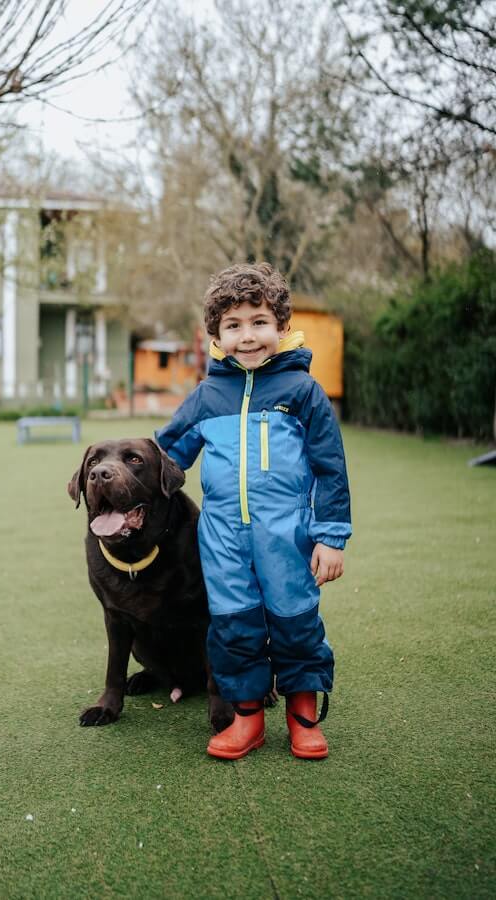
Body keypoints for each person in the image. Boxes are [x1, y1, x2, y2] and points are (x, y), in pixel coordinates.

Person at [155, 262, 352, 760]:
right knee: (234, 626)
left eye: (259, 322)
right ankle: (247, 720)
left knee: (296, 623)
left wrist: (330, 536)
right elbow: (166, 457)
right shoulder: (207, 396)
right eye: (234, 325)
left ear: (282, 328)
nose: (248, 336)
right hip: (222, 538)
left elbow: (331, 468)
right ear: (216, 336)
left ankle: (304, 718)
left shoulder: (302, 392)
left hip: (289, 537)